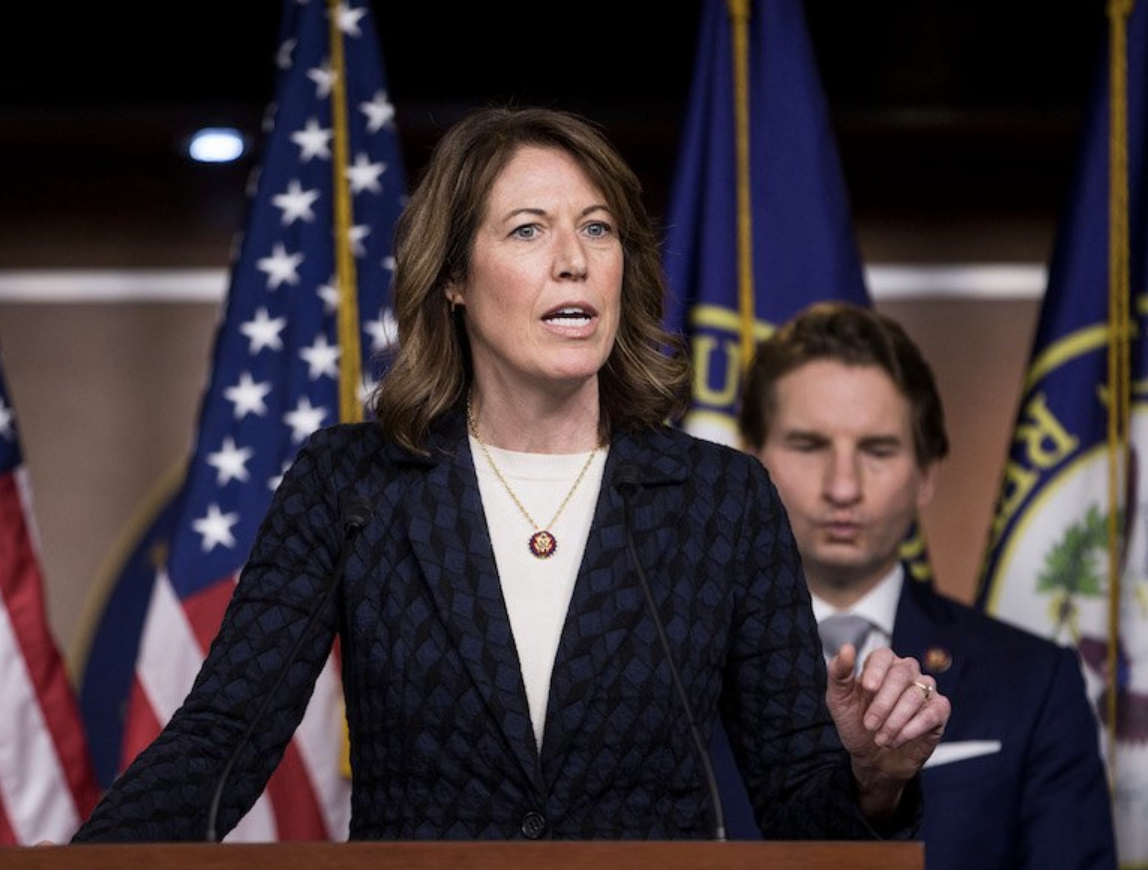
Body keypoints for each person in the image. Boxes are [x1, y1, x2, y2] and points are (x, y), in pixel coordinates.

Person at [70, 106, 949, 843]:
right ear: (453, 276)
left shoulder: (721, 500)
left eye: (597, 229)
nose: (574, 259)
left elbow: (798, 808)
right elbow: (223, 739)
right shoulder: (353, 483)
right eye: (529, 230)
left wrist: (873, 778)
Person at [717, 300, 1116, 868]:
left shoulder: (1034, 683)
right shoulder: (682, 672)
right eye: (809, 445)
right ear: (748, 463)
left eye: (877, 450)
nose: (843, 487)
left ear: (926, 474)